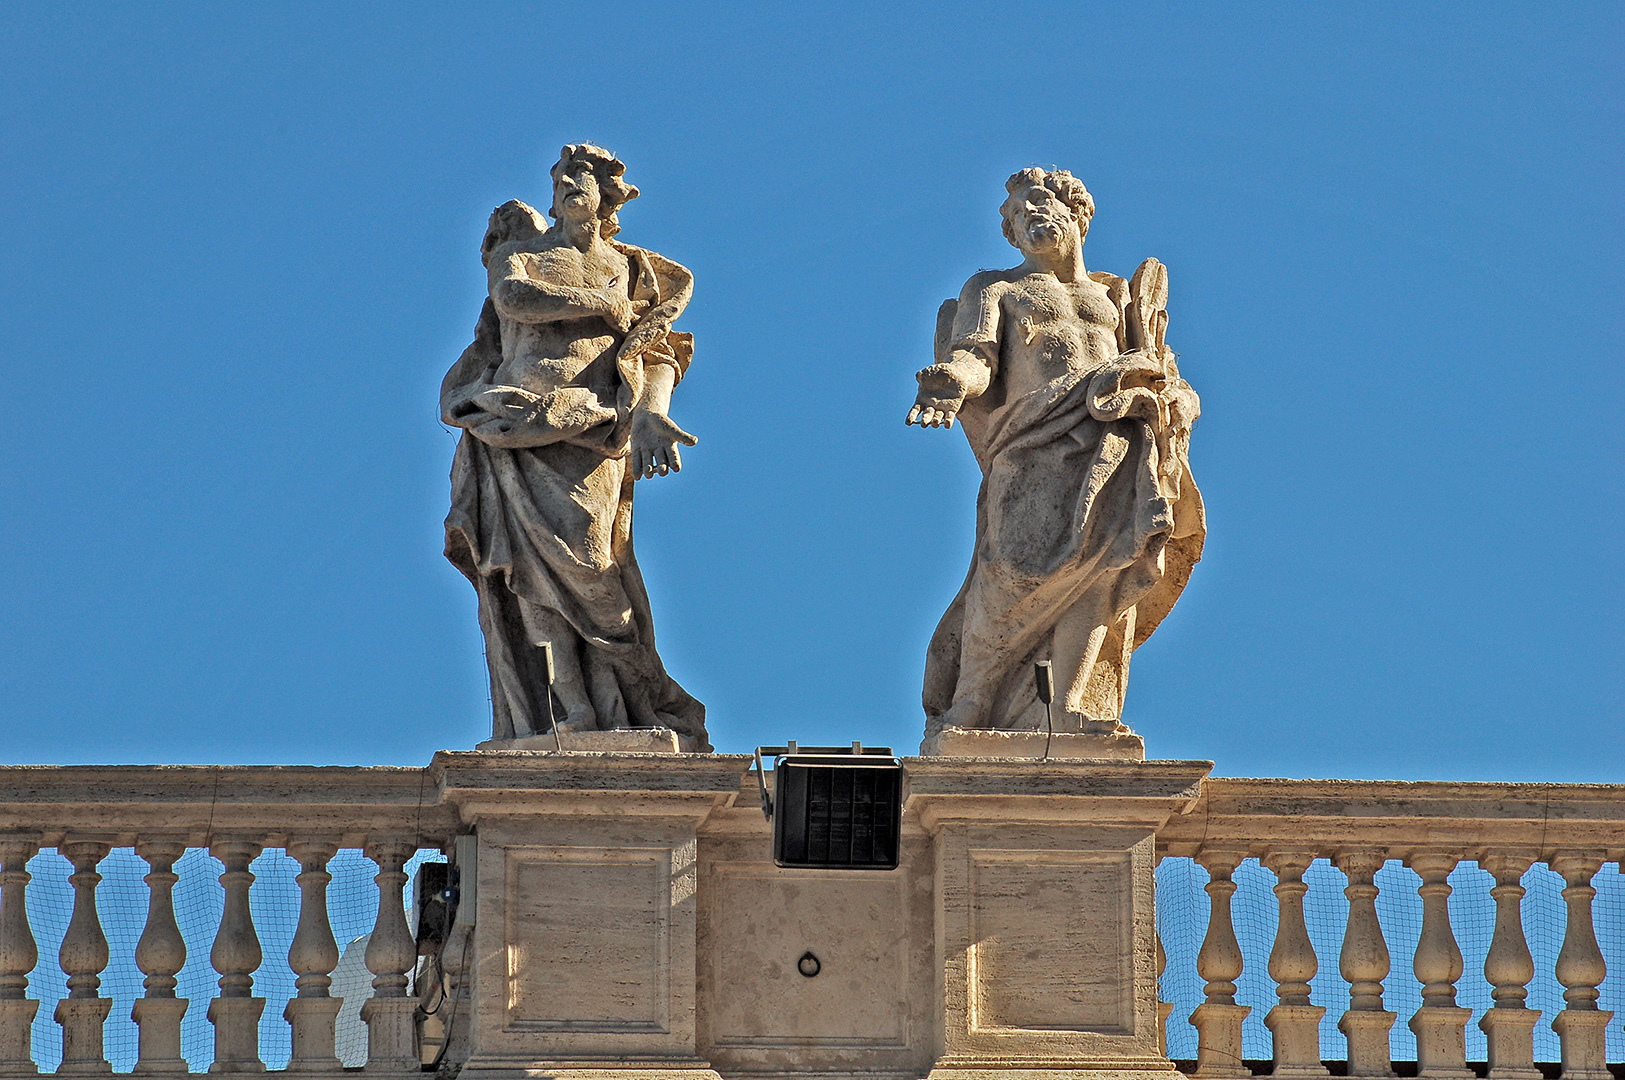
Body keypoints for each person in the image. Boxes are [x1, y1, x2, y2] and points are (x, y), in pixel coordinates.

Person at [908, 167, 1205, 737]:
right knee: (1007, 571)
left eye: (1042, 205)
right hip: (1029, 443)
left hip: (1113, 441)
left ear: (1076, 216)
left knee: (1101, 571)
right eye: (1019, 215)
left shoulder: (1115, 296)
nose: (1031, 218)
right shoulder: (996, 289)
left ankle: (1068, 707)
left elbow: (1160, 368)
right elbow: (977, 357)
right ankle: (970, 700)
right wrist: (951, 379)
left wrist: (1167, 397)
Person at [442, 144, 708, 748]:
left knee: (595, 571)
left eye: (579, 176)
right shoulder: (521, 255)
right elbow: (515, 301)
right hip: (514, 430)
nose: (565, 183)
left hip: (592, 432)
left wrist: (652, 413)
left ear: (607, 194)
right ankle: (572, 712)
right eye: (559, 176)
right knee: (526, 577)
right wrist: (603, 306)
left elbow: (656, 353)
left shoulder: (632, 269)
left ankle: (636, 698)